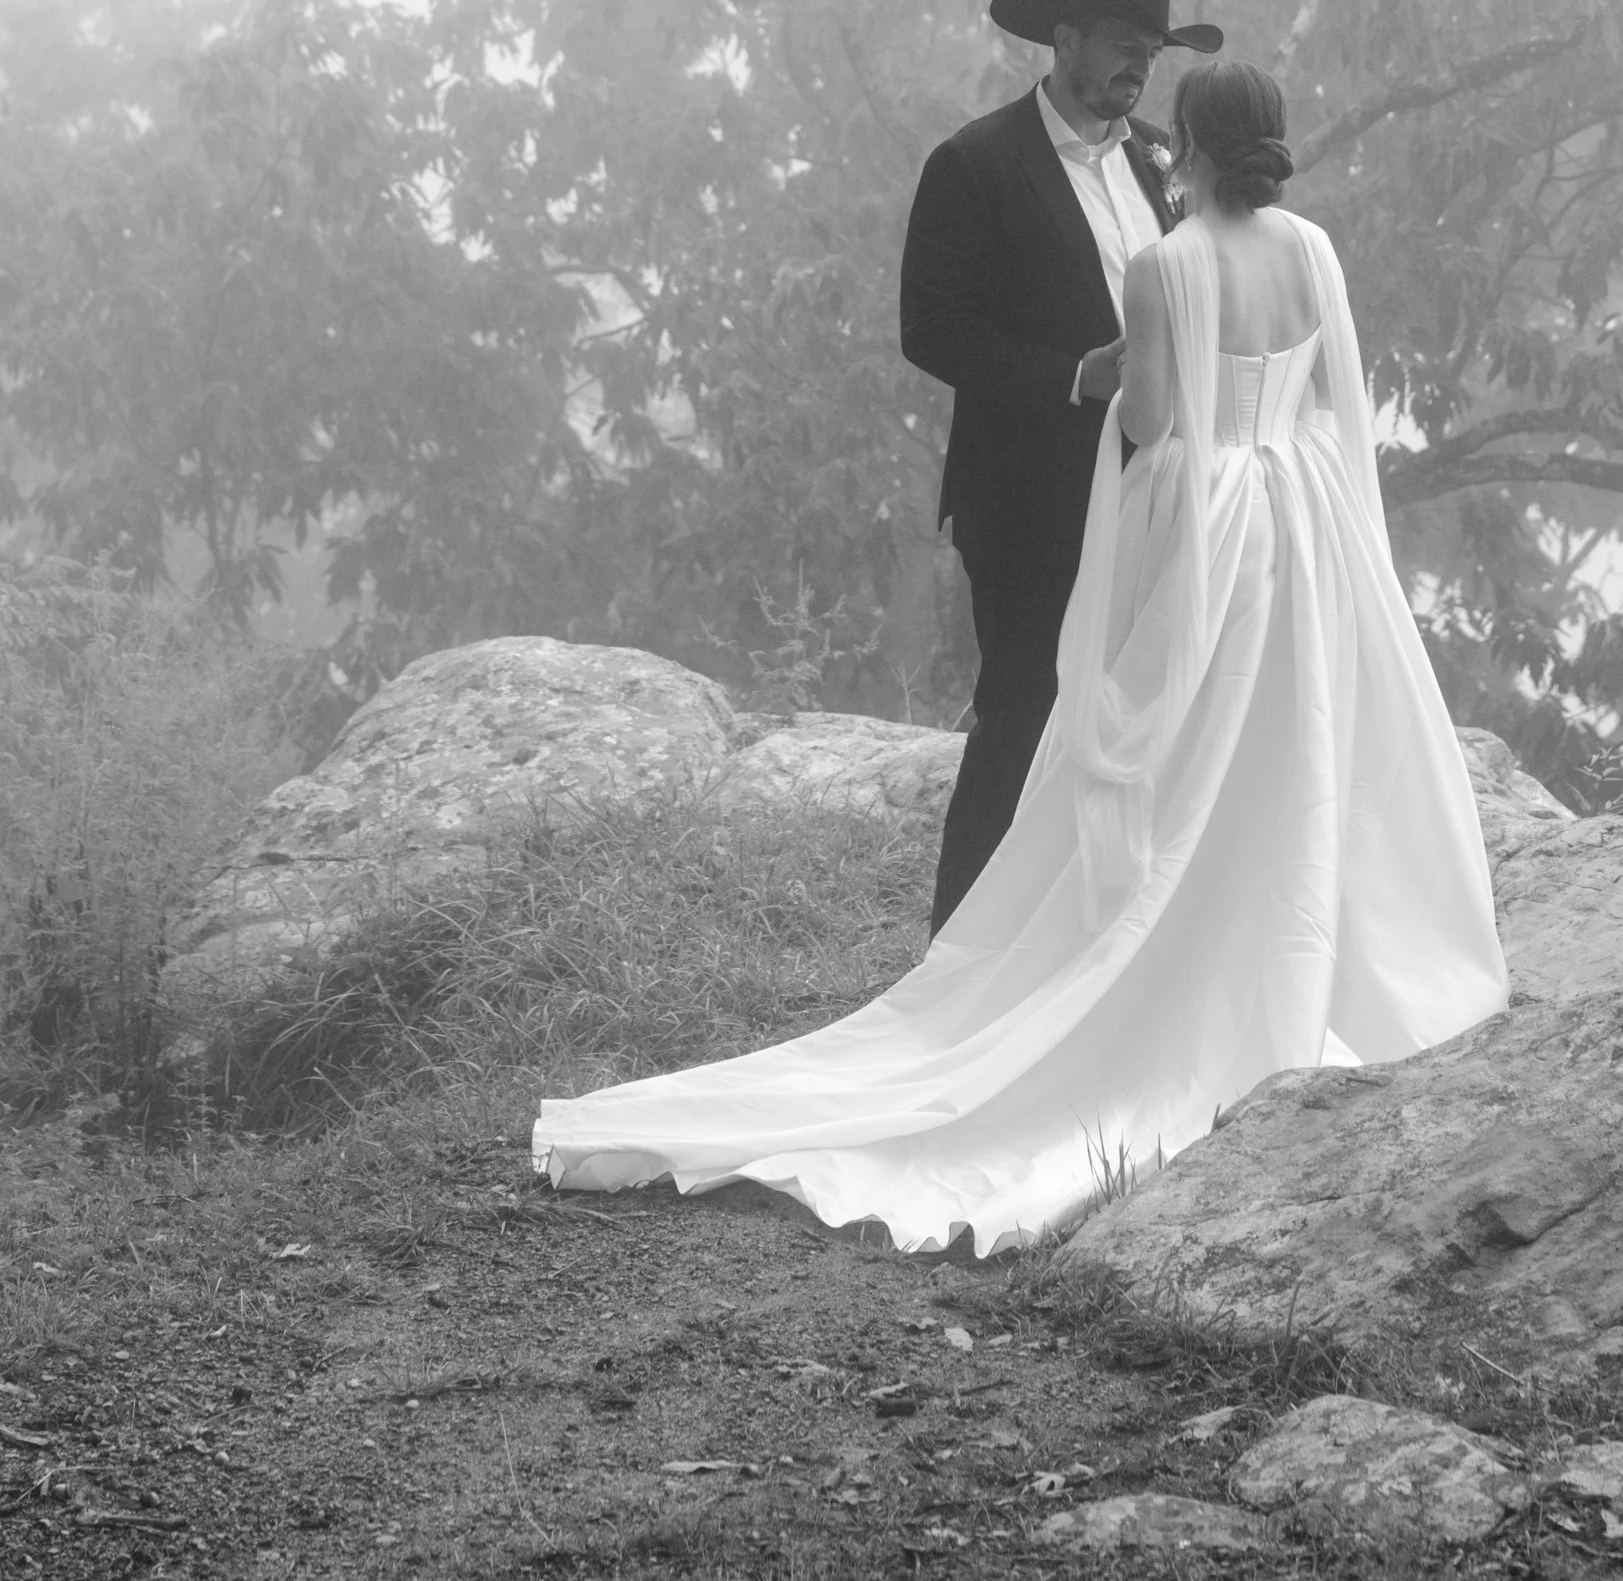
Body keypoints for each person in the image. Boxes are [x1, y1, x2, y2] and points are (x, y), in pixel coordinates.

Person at [530, 61, 1509, 1251]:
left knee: (1183, 728)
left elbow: (1149, 421)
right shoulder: (1313, 251)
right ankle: (1304, 948)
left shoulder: (1166, 266)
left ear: (1186, 143)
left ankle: (1171, 956)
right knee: (1290, 732)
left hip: (1207, 519)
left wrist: (1143, 398)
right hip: (1302, 519)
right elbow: (1328, 405)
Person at [900, 0, 1219, 932]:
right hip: (1028, 500)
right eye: (1124, 49)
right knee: (1023, 719)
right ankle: (956, 953)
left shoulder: (1159, 158)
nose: (1138, 72)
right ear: (1064, 39)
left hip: (1156, 489)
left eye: (1151, 55)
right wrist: (1073, 377)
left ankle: (1095, 935)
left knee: (1144, 720)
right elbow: (932, 328)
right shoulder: (975, 163)